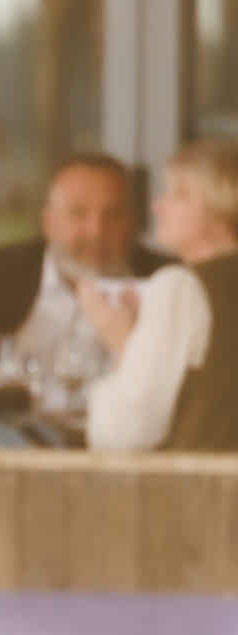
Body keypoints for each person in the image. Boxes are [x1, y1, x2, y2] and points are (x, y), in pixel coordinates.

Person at [0, 153, 171, 443]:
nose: (96, 231)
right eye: (79, 214)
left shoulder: (167, 282)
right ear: (48, 222)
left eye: (112, 215)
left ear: (130, 222)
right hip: (7, 447)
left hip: (126, 449)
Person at [85, 138, 238, 453]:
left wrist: (122, 343)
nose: (158, 206)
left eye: (179, 194)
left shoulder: (181, 287)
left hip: (199, 481)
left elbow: (124, 434)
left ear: (223, 206)